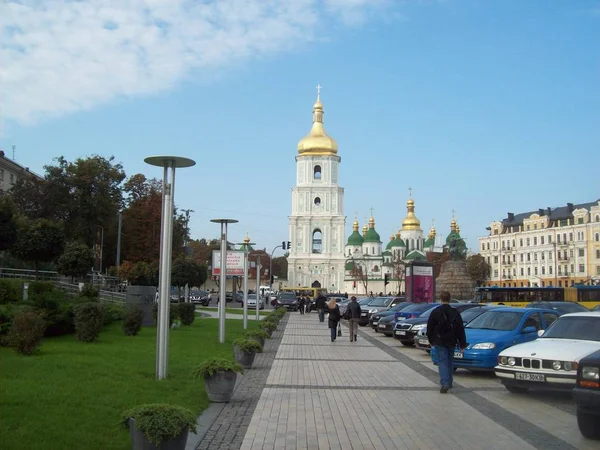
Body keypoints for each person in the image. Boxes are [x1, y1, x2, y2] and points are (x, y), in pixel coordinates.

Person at [426, 291, 467, 393]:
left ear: (440, 299)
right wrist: (462, 343)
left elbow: (430, 327)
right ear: (450, 299)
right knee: (449, 361)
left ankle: (445, 383)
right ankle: (449, 381)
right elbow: (460, 329)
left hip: (440, 341)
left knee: (442, 362)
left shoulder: (435, 312)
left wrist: (430, 340)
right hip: (452, 341)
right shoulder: (455, 312)